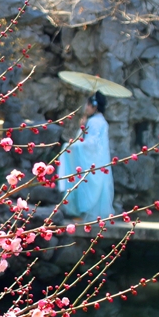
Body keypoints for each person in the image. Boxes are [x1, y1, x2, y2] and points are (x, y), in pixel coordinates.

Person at [57, 91, 115, 222]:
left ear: (94, 106)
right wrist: (82, 128)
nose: (86, 108)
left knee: (85, 184)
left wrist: (71, 145)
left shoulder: (94, 122)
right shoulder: (101, 121)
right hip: (99, 160)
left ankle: (83, 214)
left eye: (88, 105)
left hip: (92, 160)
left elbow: (91, 144)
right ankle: (88, 215)